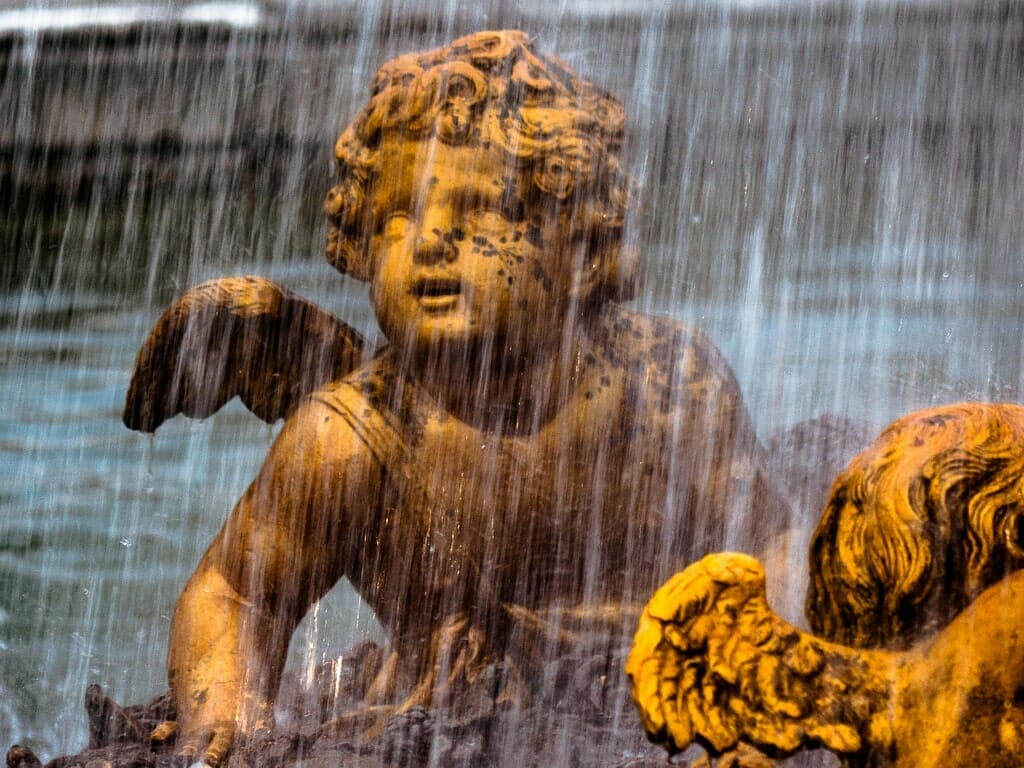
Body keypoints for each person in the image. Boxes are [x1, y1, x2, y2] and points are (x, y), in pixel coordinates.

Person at [166, 30, 786, 766]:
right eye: (397, 215)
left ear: (582, 244)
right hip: (451, 724)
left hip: (659, 704)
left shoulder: (670, 386)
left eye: (481, 211)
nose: (428, 241)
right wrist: (228, 706)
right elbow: (237, 594)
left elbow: (770, 545)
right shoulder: (353, 437)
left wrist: (773, 659)